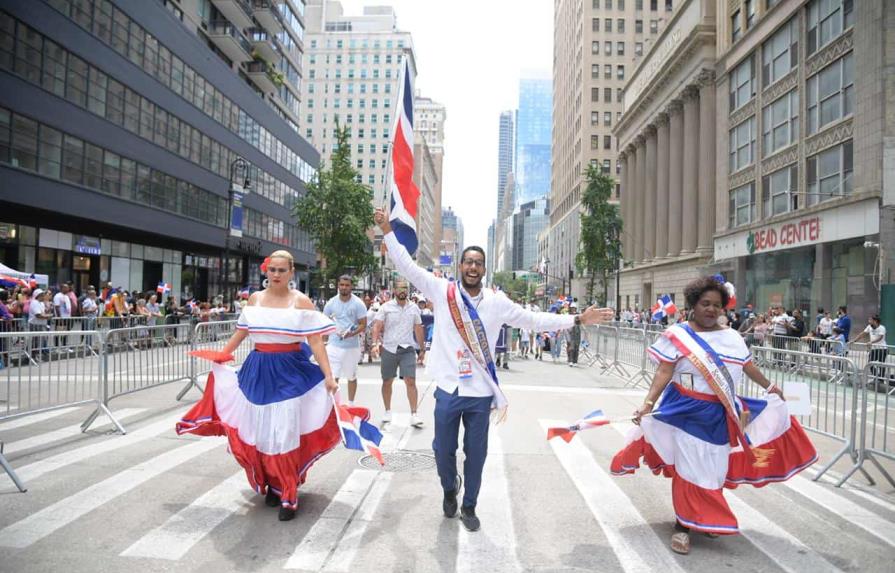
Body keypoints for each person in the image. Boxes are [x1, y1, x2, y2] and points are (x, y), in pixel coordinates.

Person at [374, 208, 614, 532]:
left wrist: (576, 319)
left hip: (480, 393)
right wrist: (388, 229)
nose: (473, 267)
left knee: (477, 453)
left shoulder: (497, 301)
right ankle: (449, 487)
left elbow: (532, 319)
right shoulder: (441, 291)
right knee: (442, 450)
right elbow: (405, 264)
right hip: (448, 387)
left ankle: (469, 505)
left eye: (478, 263)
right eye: (468, 262)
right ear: (460, 266)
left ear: (485, 269)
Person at [611, 276, 817, 555]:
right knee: (689, 467)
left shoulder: (733, 338)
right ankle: (682, 527)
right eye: (705, 303)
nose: (711, 309)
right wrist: (648, 403)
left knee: (713, 470)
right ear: (694, 305)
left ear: (723, 308)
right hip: (685, 409)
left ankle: (704, 516)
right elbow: (664, 372)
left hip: (721, 414)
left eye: (716, 305)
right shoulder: (678, 335)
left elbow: (747, 367)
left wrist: (770, 386)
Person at [176, 250, 342, 522]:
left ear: (291, 273)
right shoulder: (255, 300)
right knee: (262, 433)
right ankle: (272, 485)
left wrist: (329, 376)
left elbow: (315, 343)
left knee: (285, 432)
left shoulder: (301, 303)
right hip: (257, 371)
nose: (276, 275)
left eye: (282, 270)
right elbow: (241, 332)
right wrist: (221, 357)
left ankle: (289, 493)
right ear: (267, 272)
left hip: (289, 373)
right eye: (272, 270)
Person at [372, 281, 426, 427]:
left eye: (405, 288)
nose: (402, 291)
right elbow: (377, 326)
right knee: (387, 381)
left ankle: (414, 414)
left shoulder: (414, 308)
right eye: (400, 288)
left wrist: (422, 349)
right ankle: (387, 411)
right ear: (394, 290)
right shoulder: (386, 307)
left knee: (410, 381)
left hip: (407, 349)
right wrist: (374, 344)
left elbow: (418, 328)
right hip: (389, 348)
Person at [323, 275, 368, 406]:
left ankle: (351, 403)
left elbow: (363, 324)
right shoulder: (331, 303)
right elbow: (325, 323)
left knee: (351, 376)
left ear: (351, 286)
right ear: (338, 285)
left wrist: (351, 333)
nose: (344, 287)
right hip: (333, 345)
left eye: (347, 285)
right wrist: (323, 342)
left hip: (351, 347)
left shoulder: (358, 304)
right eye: (342, 285)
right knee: (333, 376)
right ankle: (333, 405)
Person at [853, 315, 888, 387]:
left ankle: (881, 379)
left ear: (875, 321)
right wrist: (854, 340)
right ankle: (877, 377)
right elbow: (862, 334)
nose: (869, 321)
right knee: (870, 364)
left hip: (882, 349)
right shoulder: (869, 327)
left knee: (881, 364)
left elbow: (880, 338)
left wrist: (871, 342)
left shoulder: (882, 328)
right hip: (874, 349)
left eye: (870, 320)